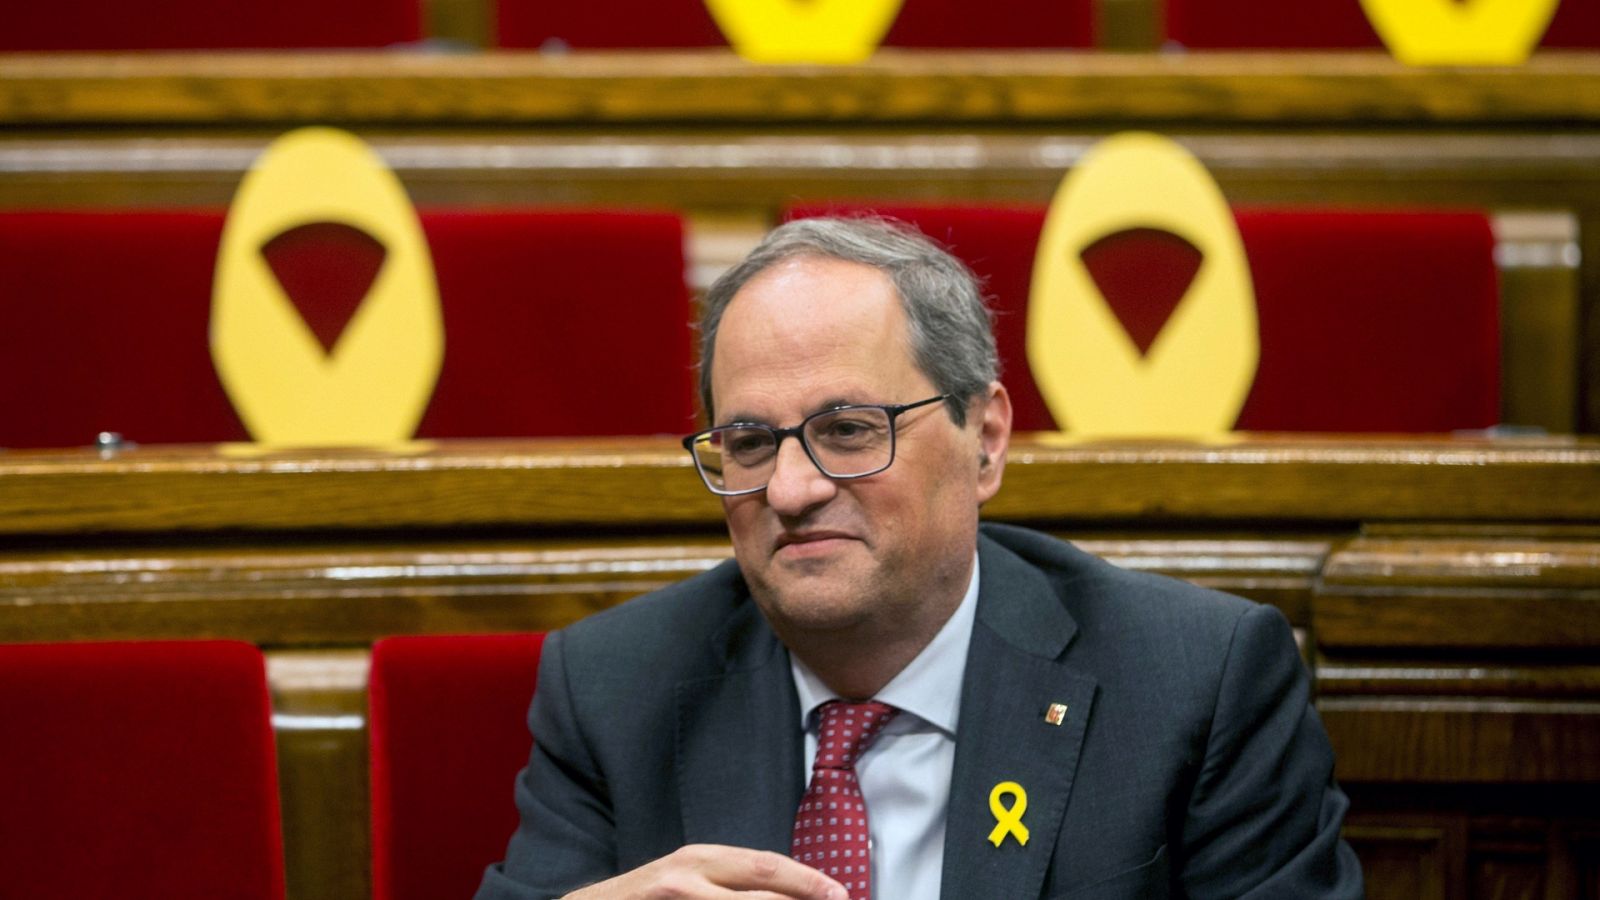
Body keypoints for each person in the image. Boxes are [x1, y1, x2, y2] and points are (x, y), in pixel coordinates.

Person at [476, 217, 1363, 899]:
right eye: (748, 443)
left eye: (847, 431)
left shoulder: (1194, 682)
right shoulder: (612, 688)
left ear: (984, 438)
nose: (789, 489)